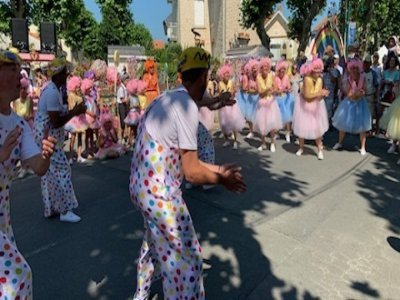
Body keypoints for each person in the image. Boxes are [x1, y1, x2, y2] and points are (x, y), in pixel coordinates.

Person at [129, 47, 246, 300]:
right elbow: (192, 172)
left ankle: (141, 295)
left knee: (154, 243)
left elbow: (189, 158)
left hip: (140, 189)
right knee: (187, 259)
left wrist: (218, 170)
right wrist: (221, 179)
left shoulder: (166, 99)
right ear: (204, 76)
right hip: (161, 195)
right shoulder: (185, 107)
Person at [0, 49, 56, 299]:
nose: (20, 76)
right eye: (12, 70)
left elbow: (39, 168)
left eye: (19, 70)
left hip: (3, 219)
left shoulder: (20, 124)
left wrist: (46, 155)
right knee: (18, 277)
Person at [33, 57, 87, 223]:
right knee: (62, 170)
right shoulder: (52, 92)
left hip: (47, 137)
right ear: (57, 76)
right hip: (48, 138)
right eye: (64, 73)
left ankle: (51, 207)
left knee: (49, 174)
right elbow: (55, 122)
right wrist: (75, 112)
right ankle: (65, 210)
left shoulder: (52, 89)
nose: (67, 76)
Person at [332, 58, 371, 155]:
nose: (354, 70)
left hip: (361, 104)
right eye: (352, 68)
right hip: (349, 103)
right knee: (343, 124)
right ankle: (339, 142)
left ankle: (363, 147)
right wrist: (357, 94)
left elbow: (365, 90)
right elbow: (348, 94)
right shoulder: (348, 79)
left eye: (355, 68)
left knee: (363, 126)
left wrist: (361, 93)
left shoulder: (363, 77)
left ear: (359, 69)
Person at [293, 58, 329, 160]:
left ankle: (320, 150)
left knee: (317, 129)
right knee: (301, 127)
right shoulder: (307, 79)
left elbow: (318, 96)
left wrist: (323, 94)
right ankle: (301, 148)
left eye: (319, 70)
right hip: (304, 105)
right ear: (312, 70)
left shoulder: (320, 79)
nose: (318, 72)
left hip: (316, 106)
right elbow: (308, 96)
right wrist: (320, 93)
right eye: (316, 70)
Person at [254, 57, 282, 152]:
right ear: (261, 68)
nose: (265, 68)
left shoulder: (272, 75)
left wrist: (274, 91)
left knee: (272, 124)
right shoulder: (258, 77)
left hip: (271, 102)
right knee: (262, 124)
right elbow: (260, 93)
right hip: (262, 103)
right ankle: (263, 143)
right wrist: (266, 90)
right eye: (263, 67)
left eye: (267, 66)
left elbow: (276, 88)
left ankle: (272, 143)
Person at [217, 63, 245, 149]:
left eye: (228, 74)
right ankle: (226, 140)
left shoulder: (231, 82)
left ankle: (235, 141)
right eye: (226, 74)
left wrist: (233, 93)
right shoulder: (220, 83)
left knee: (234, 124)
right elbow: (219, 95)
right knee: (224, 123)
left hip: (232, 105)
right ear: (222, 75)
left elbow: (234, 93)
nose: (227, 75)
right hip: (224, 106)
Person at [64, 76, 89, 164]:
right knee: (73, 138)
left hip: (80, 118)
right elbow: (72, 108)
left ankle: (79, 156)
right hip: (74, 118)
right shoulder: (71, 95)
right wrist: (80, 107)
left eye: (79, 86)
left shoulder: (79, 94)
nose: (78, 88)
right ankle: (70, 157)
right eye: (77, 86)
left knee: (79, 137)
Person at [274, 60, 295, 142]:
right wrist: (280, 91)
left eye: (284, 70)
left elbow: (289, 87)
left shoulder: (286, 77)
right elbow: (275, 90)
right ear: (278, 71)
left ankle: (287, 134)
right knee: (278, 117)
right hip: (278, 99)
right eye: (281, 71)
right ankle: (277, 133)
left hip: (286, 99)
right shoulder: (275, 78)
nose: (282, 72)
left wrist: (288, 89)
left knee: (287, 118)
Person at [362, 54, 380, 131]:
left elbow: (376, 86)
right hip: (362, 96)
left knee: (370, 113)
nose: (366, 64)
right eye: (365, 63)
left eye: (368, 63)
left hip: (370, 96)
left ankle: (369, 129)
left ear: (370, 64)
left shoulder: (373, 74)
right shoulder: (361, 73)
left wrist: (377, 96)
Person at [124, 78, 142, 148]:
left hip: (137, 114)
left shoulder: (137, 97)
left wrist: (139, 107)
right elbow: (128, 105)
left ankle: (136, 141)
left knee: (136, 129)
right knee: (131, 129)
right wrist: (133, 106)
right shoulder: (130, 96)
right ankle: (130, 142)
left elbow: (139, 105)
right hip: (132, 114)